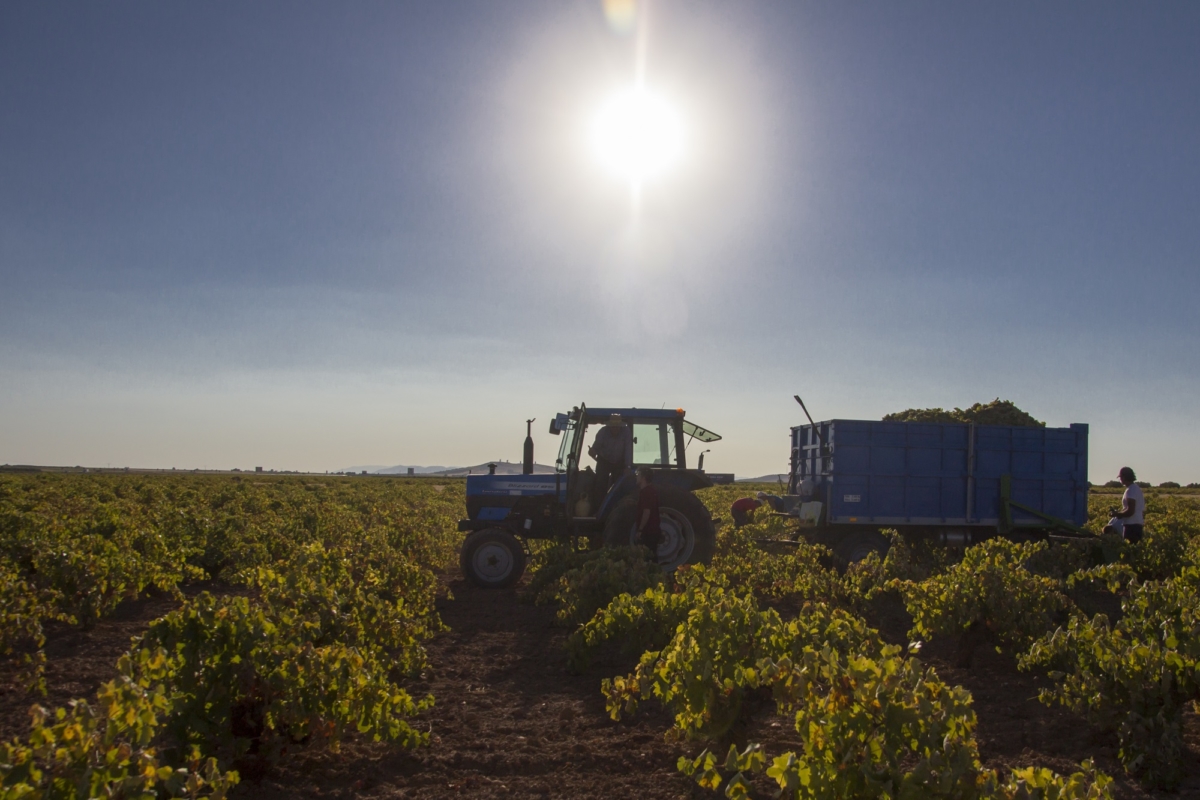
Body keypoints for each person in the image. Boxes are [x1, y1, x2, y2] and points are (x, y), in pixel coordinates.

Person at [588, 413, 632, 509]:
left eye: (617, 426)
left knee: (619, 486)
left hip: (619, 462)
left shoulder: (626, 432)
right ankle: (598, 509)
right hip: (604, 461)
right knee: (600, 484)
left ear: (620, 426)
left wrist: (628, 466)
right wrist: (592, 451)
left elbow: (628, 450)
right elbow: (596, 447)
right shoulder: (602, 432)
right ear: (609, 426)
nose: (615, 428)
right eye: (613, 426)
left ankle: (616, 508)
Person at [1110, 466, 1144, 543]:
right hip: (1137, 525)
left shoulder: (1130, 491)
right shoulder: (1136, 488)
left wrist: (1117, 514)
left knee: (1129, 551)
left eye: (1121, 477)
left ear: (1124, 477)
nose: (1120, 479)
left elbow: (1130, 511)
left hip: (1131, 527)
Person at [635, 466, 662, 558]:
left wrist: (640, 529)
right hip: (650, 531)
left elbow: (647, 512)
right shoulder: (647, 491)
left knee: (649, 558)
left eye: (638, 475)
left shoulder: (647, 492)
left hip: (649, 532)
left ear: (643, 478)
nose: (636, 477)